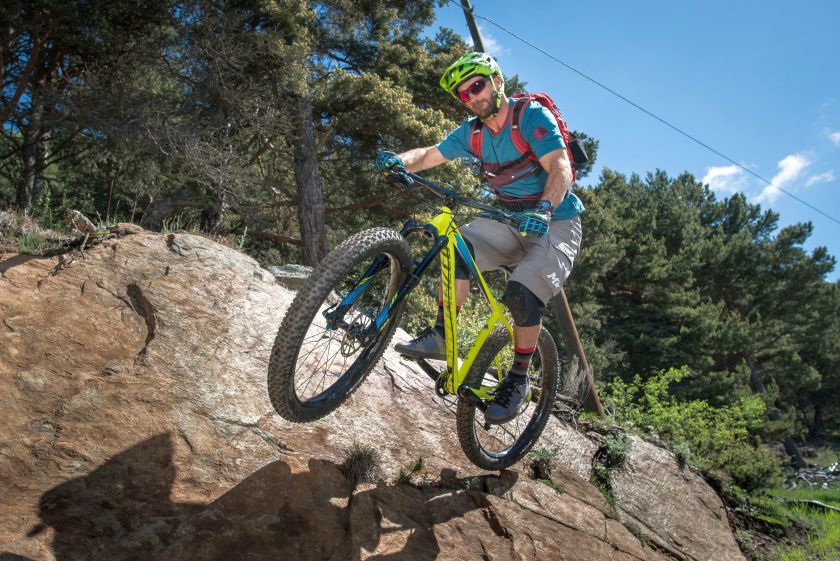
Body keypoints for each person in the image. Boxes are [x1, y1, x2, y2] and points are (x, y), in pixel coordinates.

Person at [375, 52, 583, 424]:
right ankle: (443, 335)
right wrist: (400, 161)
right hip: (510, 220)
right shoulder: (473, 133)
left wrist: (545, 208)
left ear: (497, 81)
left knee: (520, 295)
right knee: (456, 247)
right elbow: (430, 154)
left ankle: (518, 379)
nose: (471, 96)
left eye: (477, 85)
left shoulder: (530, 116)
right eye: (463, 93)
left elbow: (560, 165)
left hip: (556, 222)